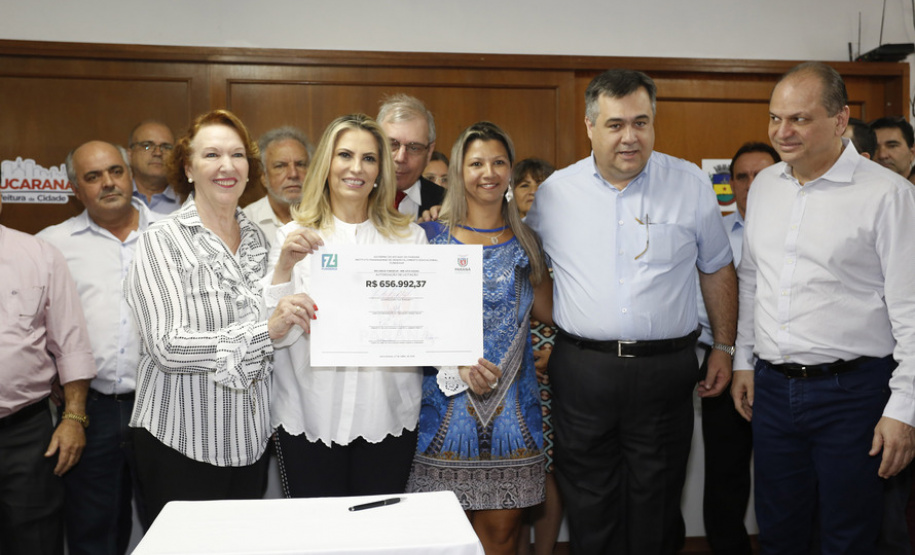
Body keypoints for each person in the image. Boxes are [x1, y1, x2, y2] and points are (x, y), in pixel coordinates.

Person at [526, 68, 737, 555]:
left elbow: (717, 268)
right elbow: (529, 265)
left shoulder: (689, 184)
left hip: (664, 372)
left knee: (657, 505)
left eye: (641, 123)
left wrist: (723, 345)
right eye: (616, 124)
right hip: (582, 371)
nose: (630, 137)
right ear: (589, 127)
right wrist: (561, 321)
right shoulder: (556, 192)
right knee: (589, 506)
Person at [732, 62, 915, 554]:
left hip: (854, 394)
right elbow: (753, 281)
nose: (782, 132)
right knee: (779, 531)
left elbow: (912, 313)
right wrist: (744, 361)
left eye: (799, 119)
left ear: (840, 120)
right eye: (775, 118)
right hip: (772, 392)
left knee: (848, 536)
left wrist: (904, 409)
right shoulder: (767, 185)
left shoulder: (889, 196)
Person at [125, 109, 311, 526]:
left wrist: (282, 275)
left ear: (250, 169)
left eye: (237, 155)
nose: (227, 166)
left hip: (248, 443)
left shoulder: (260, 241)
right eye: (211, 155)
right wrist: (266, 329)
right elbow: (168, 345)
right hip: (180, 442)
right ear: (188, 168)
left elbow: (276, 335)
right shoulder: (161, 240)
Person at [263, 113, 433, 498]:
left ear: (380, 171)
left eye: (369, 158)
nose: (356, 168)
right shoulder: (292, 237)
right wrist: (285, 268)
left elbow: (426, 329)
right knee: (317, 538)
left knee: (378, 537)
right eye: (345, 155)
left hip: (386, 414)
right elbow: (270, 335)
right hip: (308, 414)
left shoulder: (410, 240)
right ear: (327, 163)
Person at [407, 121, 552, 555]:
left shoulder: (530, 242)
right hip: (444, 412)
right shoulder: (429, 237)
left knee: (504, 537)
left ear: (509, 171)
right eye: (475, 163)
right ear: (458, 172)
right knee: (440, 538)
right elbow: (409, 322)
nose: (488, 172)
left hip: (515, 413)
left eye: (498, 162)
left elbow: (555, 313)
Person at [38, 140, 155, 554]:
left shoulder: (173, 235)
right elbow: (31, 324)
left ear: (130, 174)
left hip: (162, 406)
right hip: (90, 409)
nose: (108, 183)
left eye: (115, 171)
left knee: (169, 523)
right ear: (75, 188)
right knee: (94, 532)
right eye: (93, 177)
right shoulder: (51, 244)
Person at [0, 194, 97, 555]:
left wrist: (73, 416)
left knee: (35, 539)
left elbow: (71, 343)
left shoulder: (39, 255)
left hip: (24, 433)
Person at [695, 142, 779, 555]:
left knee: (784, 477)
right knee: (724, 477)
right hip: (723, 363)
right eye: (741, 177)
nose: (750, 185)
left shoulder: (800, 234)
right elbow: (698, 305)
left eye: (761, 175)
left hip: (784, 372)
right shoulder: (717, 237)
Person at [511, 157, 561, 555]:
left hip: (552, 365)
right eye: (524, 183)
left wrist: (557, 348)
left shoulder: (567, 237)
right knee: (515, 468)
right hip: (504, 367)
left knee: (547, 470)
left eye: (541, 182)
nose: (532, 190)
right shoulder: (502, 234)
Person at [377, 94, 445, 218]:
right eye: (392, 144)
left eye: (414, 148)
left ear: (429, 152)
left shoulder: (447, 204)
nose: (400, 158)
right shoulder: (355, 196)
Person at [243, 126, 312, 245]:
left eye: (300, 164)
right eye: (281, 166)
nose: (293, 174)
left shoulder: (330, 218)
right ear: (264, 177)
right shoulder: (245, 222)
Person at [128, 120, 180, 215]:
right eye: (147, 146)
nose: (158, 153)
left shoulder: (189, 202)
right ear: (130, 155)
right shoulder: (116, 196)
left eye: (166, 147)